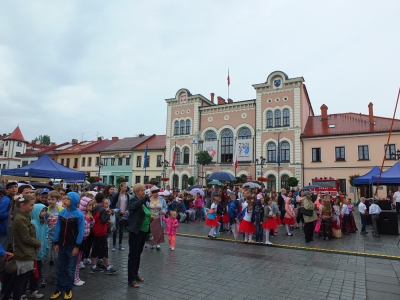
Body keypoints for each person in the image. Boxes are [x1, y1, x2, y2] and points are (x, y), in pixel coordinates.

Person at [2, 194, 41, 300]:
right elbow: (26, 238)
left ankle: (5, 297)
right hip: (24, 252)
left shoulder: (23, 216)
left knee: (17, 278)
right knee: (20, 280)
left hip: (25, 251)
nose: (33, 207)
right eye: (31, 205)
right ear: (23, 205)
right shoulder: (21, 218)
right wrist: (38, 243)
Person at [50, 192, 85, 300]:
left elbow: (81, 232)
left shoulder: (79, 215)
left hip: (72, 246)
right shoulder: (62, 213)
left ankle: (68, 289)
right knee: (60, 269)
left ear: (74, 200)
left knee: (70, 269)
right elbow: (58, 229)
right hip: (61, 245)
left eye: (67, 198)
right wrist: (56, 242)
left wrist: (77, 246)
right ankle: (59, 288)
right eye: (64, 198)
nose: (64, 200)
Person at [127, 183, 151, 288]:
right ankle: (130, 278)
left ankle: (135, 273)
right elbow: (135, 206)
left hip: (143, 231)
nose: (144, 192)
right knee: (133, 255)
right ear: (136, 192)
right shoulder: (133, 201)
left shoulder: (143, 202)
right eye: (142, 190)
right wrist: (146, 197)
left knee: (139, 253)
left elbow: (144, 213)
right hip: (135, 231)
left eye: (144, 190)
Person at [90, 193, 119, 274]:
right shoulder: (102, 209)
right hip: (101, 232)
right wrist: (108, 214)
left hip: (95, 231)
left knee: (95, 248)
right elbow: (103, 220)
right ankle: (108, 267)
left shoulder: (94, 208)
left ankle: (93, 265)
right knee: (104, 249)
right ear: (103, 200)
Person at [41, 190, 64, 288]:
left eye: (52, 199)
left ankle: (55, 276)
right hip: (47, 236)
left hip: (57, 238)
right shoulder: (45, 209)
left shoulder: (61, 209)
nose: (50, 201)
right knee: (46, 258)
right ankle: (44, 277)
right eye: (49, 199)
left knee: (56, 258)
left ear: (57, 200)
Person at [28, 203, 48, 299]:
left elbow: (46, 234)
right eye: (42, 211)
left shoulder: (44, 222)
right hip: (34, 254)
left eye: (45, 211)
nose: (44, 213)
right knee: (33, 273)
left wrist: (46, 246)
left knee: (37, 272)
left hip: (41, 253)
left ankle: (33, 289)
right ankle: (32, 290)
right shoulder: (33, 223)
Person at [74, 198, 94, 286]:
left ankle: (77, 277)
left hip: (84, 239)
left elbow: (91, 224)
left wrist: (91, 219)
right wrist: (86, 219)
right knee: (76, 260)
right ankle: (74, 278)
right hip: (79, 240)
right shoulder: (79, 214)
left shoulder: (87, 214)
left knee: (79, 260)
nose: (91, 207)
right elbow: (81, 225)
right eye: (89, 205)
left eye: (91, 205)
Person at [111, 182, 130, 251]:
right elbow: (113, 205)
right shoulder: (117, 195)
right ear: (121, 187)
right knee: (115, 230)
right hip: (117, 214)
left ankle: (120, 244)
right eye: (124, 187)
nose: (126, 188)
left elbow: (128, 204)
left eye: (126, 187)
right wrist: (119, 210)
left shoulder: (127, 195)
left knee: (121, 230)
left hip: (124, 214)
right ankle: (113, 245)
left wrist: (127, 210)